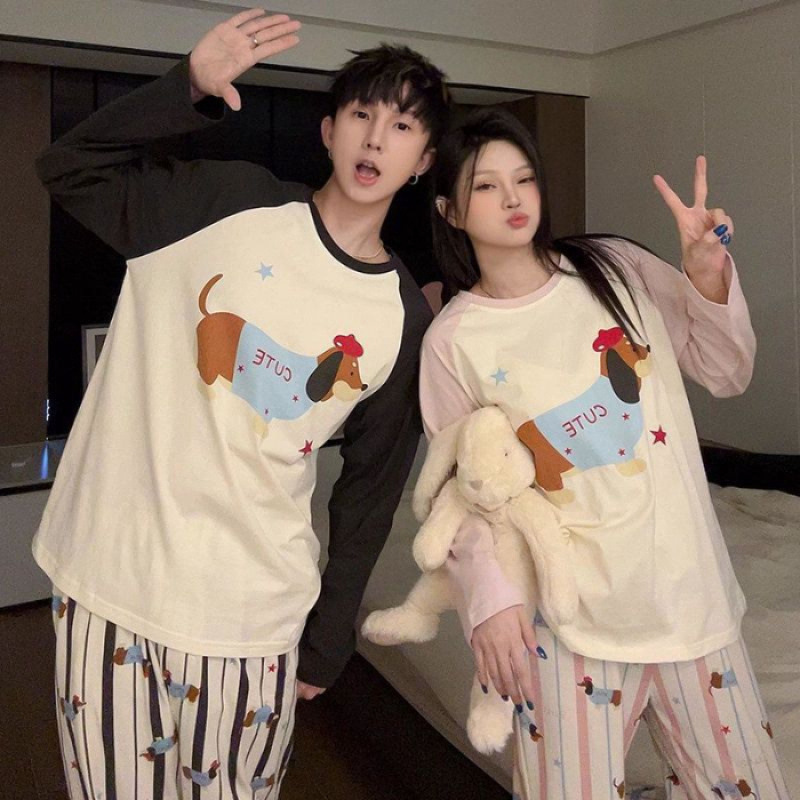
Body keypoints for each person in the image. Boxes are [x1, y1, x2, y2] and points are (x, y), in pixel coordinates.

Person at [34, 9, 450, 798]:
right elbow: (68, 167)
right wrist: (186, 86)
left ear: (423, 160)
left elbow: (370, 494)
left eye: (401, 126)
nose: (374, 139)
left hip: (253, 617)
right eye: (361, 115)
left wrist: (328, 642)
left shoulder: (402, 317)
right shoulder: (222, 201)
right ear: (328, 131)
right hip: (109, 581)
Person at [421, 107, 789, 799]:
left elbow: (725, 372)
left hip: (692, 603)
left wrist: (707, 275)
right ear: (450, 210)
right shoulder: (454, 340)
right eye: (486, 186)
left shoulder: (613, 268)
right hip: (570, 626)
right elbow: (463, 493)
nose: (512, 198)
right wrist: (489, 604)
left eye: (524, 178)